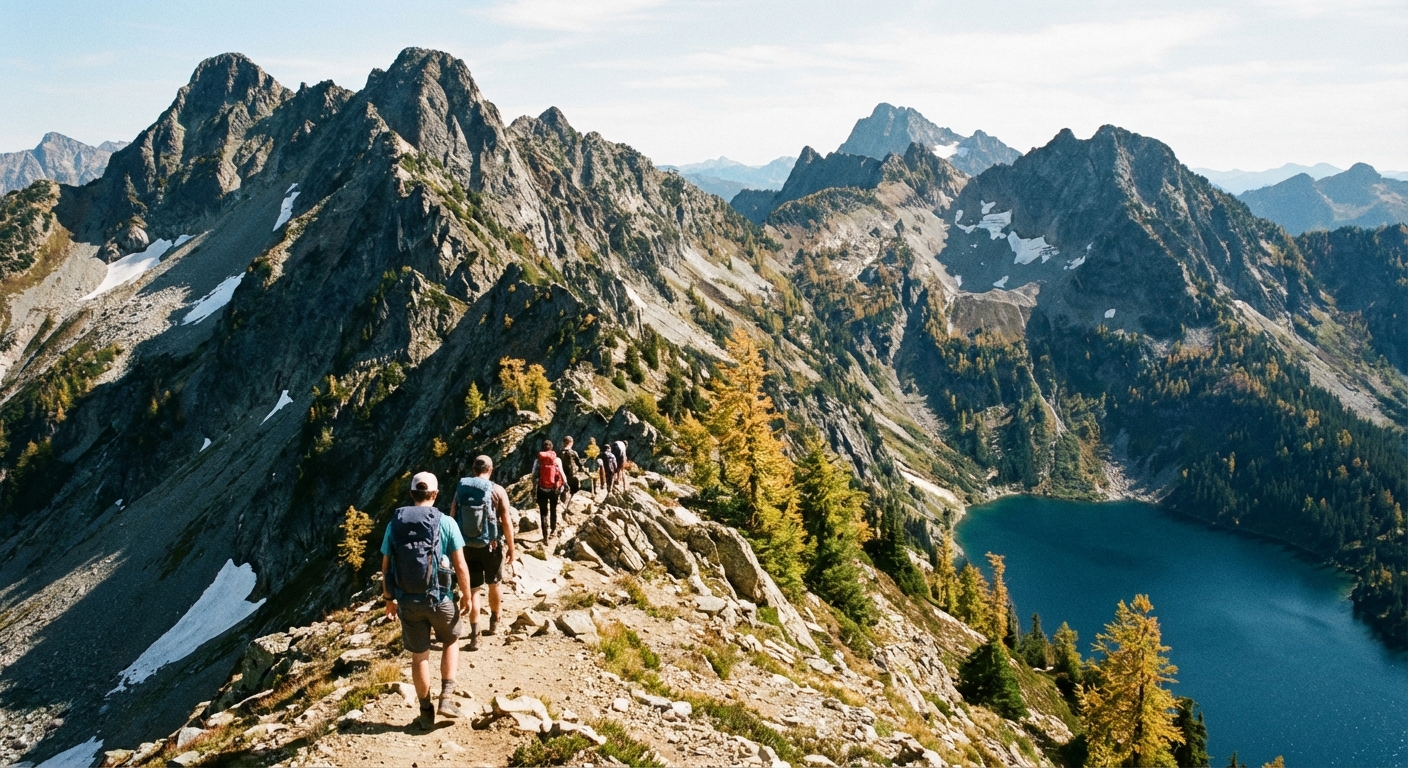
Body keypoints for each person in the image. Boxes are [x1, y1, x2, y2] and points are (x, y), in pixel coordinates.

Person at [381, 471, 470, 724]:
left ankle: (425, 711)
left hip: (408, 601)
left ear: (411, 494)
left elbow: (385, 566)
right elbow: (460, 565)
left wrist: (389, 599)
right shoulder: (447, 523)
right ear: (435, 494)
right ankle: (446, 699)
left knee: (419, 655)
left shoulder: (395, 524)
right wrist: (466, 595)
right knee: (451, 641)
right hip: (441, 598)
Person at [449, 455, 516, 650]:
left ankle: (474, 636)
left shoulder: (462, 487)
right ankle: (495, 622)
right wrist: (511, 547)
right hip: (491, 546)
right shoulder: (497, 490)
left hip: (467, 546)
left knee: (473, 590)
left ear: (473, 469)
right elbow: (506, 521)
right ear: (491, 469)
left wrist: (452, 545)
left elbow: (452, 515)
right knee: (495, 583)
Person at [531, 439, 566, 538]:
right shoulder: (557, 460)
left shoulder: (538, 460)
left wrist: (534, 487)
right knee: (553, 509)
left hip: (541, 488)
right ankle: (553, 530)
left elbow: (533, 475)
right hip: (554, 489)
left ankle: (544, 533)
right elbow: (562, 473)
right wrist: (565, 484)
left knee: (543, 511)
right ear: (552, 448)